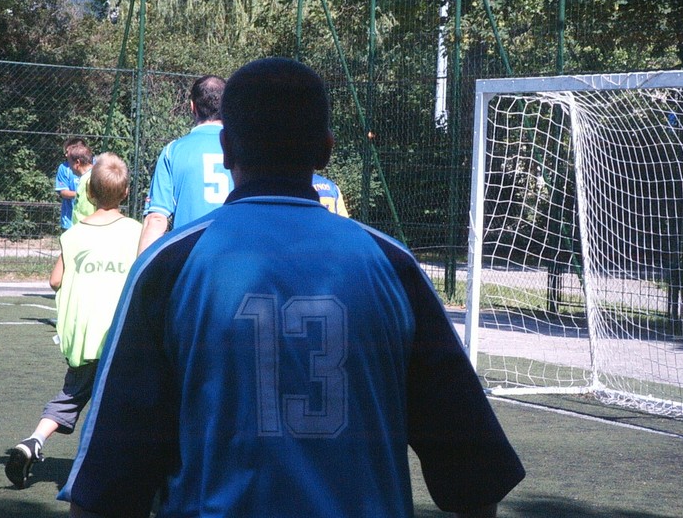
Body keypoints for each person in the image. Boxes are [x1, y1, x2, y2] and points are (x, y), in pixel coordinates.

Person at [58, 57, 524, 517]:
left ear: (227, 149)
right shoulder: (393, 266)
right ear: (326, 150)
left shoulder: (169, 267)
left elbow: (106, 488)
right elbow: (474, 478)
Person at [5, 152, 142, 490]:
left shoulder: (74, 235)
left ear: (89, 193)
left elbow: (55, 280)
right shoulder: (136, 231)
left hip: (84, 337)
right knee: (130, 402)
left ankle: (33, 441)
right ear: (126, 192)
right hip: (120, 337)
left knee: (70, 397)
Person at [137, 75, 231, 255]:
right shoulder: (242, 150)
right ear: (227, 106)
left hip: (189, 258)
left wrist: (141, 269)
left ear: (192, 107)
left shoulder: (172, 151)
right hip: (232, 257)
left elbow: (156, 219)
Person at [55, 138, 83, 230]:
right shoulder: (64, 168)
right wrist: (82, 194)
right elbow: (63, 192)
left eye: (68, 151)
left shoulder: (95, 166)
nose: (65, 154)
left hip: (90, 221)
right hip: (69, 222)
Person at [67, 141, 96, 225]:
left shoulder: (89, 179)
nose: (69, 167)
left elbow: (86, 210)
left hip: (87, 227)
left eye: (70, 163)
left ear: (77, 163)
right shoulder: (87, 176)